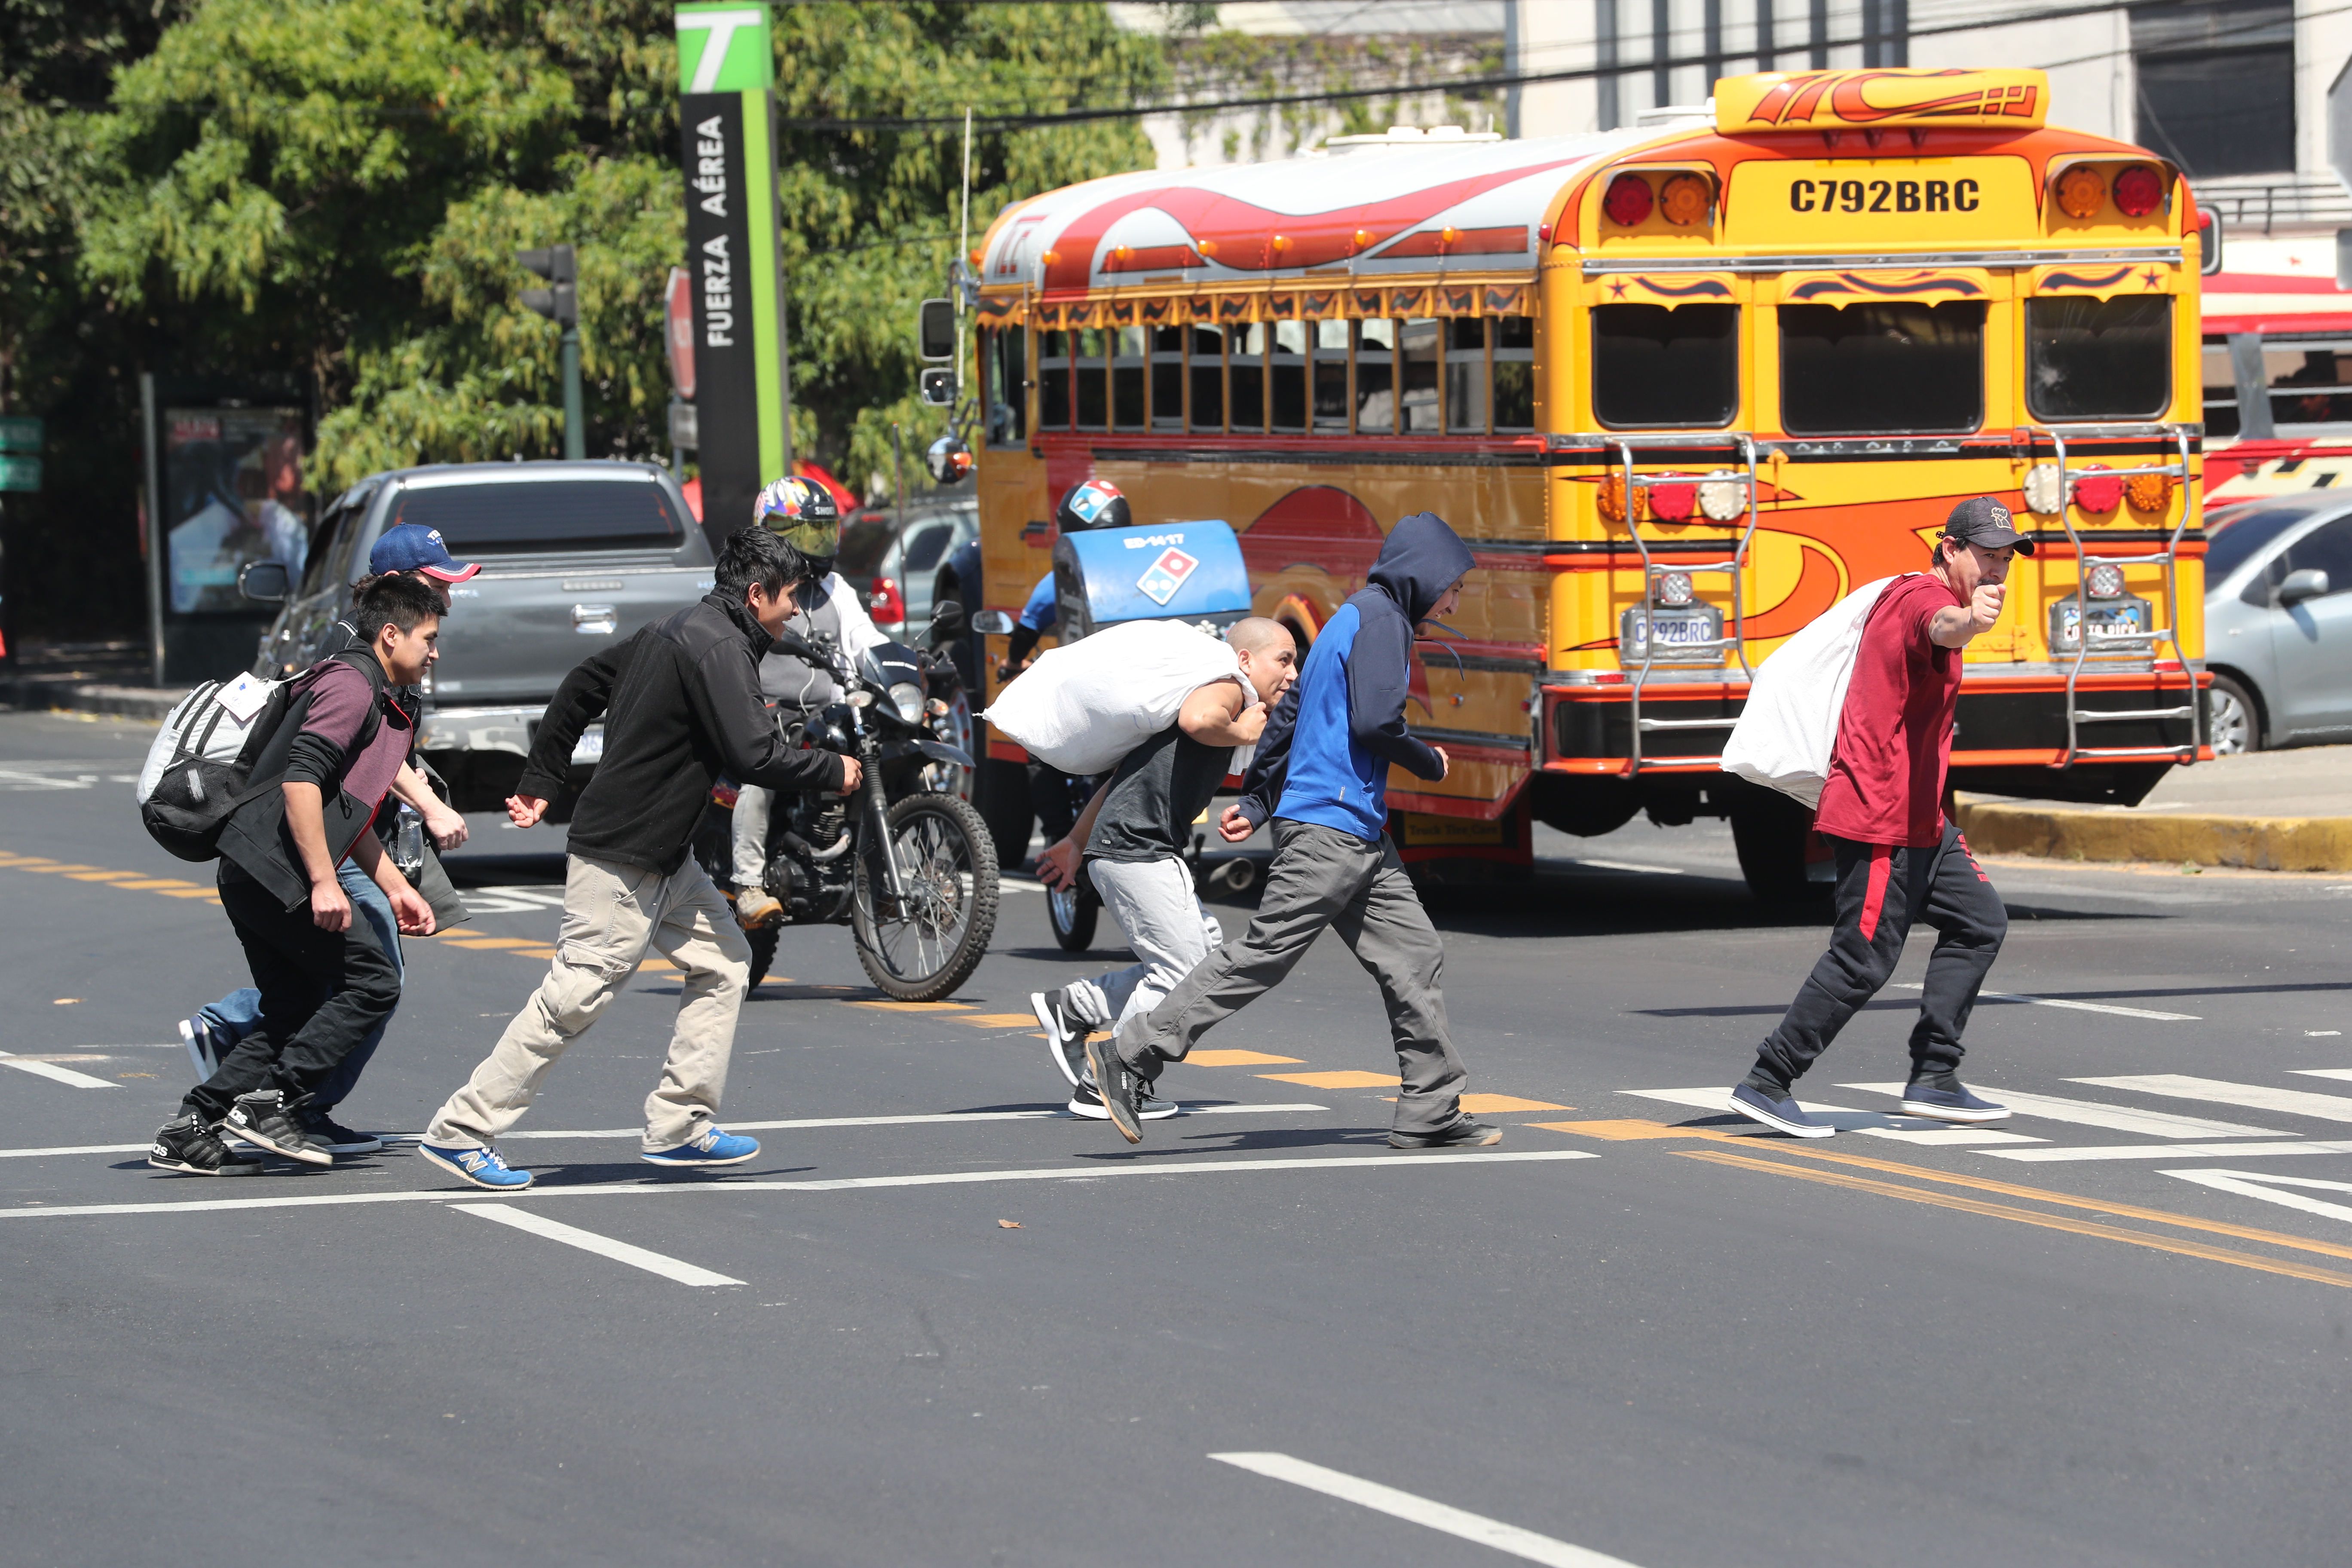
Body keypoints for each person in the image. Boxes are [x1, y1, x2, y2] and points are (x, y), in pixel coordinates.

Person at [416, 527, 861, 1192]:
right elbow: (754, 756)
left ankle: (680, 1127)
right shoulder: (720, 648)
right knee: (573, 998)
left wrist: (539, 781)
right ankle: (462, 1131)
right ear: (756, 593)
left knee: (726, 961)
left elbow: (579, 685)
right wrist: (835, 770)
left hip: (663, 856)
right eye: (791, 598)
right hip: (624, 854)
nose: (797, 611)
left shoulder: (678, 629)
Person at [1087, 511, 1497, 1151]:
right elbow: (1377, 726)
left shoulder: (1356, 618)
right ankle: (1130, 1053)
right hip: (1331, 828)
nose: (1457, 596)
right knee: (1264, 953)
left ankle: (1430, 1106)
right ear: (1425, 574)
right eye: (1455, 583)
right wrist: (1429, 760)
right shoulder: (1382, 620)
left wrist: (1257, 799)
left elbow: (1297, 712)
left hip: (1352, 827)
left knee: (1415, 953)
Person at [176, 523, 479, 1155]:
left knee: (296, 1004)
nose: (437, 647)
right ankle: (281, 1106)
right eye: (431, 634)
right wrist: (322, 881)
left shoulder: (389, 687)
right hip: (279, 867)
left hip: (261, 867)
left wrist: (395, 887)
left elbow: (351, 808)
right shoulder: (351, 680)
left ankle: (194, 1127)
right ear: (393, 625)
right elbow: (303, 783)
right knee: (371, 982)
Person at [1726, 496, 2023, 1138]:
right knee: (1863, 958)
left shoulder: (1928, 593)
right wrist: (1968, 621)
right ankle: (1769, 1080)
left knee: (1980, 923)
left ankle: (1935, 1077)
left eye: (2005, 559)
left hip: (1922, 819)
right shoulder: (1919, 598)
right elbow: (1940, 625)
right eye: (1987, 556)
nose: (1998, 570)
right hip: (1878, 813)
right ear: (1949, 549)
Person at [1029, 618, 1300, 1121]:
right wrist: (1243, 728)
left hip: (1132, 846)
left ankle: (1077, 1008)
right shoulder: (1227, 689)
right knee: (1182, 972)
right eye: (1283, 660)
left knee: (1199, 966)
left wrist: (1074, 841)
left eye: (1295, 662)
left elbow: (1121, 779)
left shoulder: (1226, 694)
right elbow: (1200, 720)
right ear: (1245, 661)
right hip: (1136, 848)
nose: (1292, 673)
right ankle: (1104, 1081)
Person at [731, 475, 890, 929]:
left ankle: (878, 875)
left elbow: (865, 639)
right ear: (775, 532)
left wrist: (899, 660)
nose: (817, 545)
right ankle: (748, 885)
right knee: (758, 776)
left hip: (830, 713)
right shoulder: (753, 589)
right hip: (766, 712)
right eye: (806, 534)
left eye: (823, 533)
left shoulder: (835, 589)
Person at [996, 479, 1132, 853]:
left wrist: (1011, 663)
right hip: (1145, 689)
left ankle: (1059, 834)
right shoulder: (1143, 567)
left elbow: (1025, 633)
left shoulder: (1064, 576)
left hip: (1090, 693)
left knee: (1037, 743)